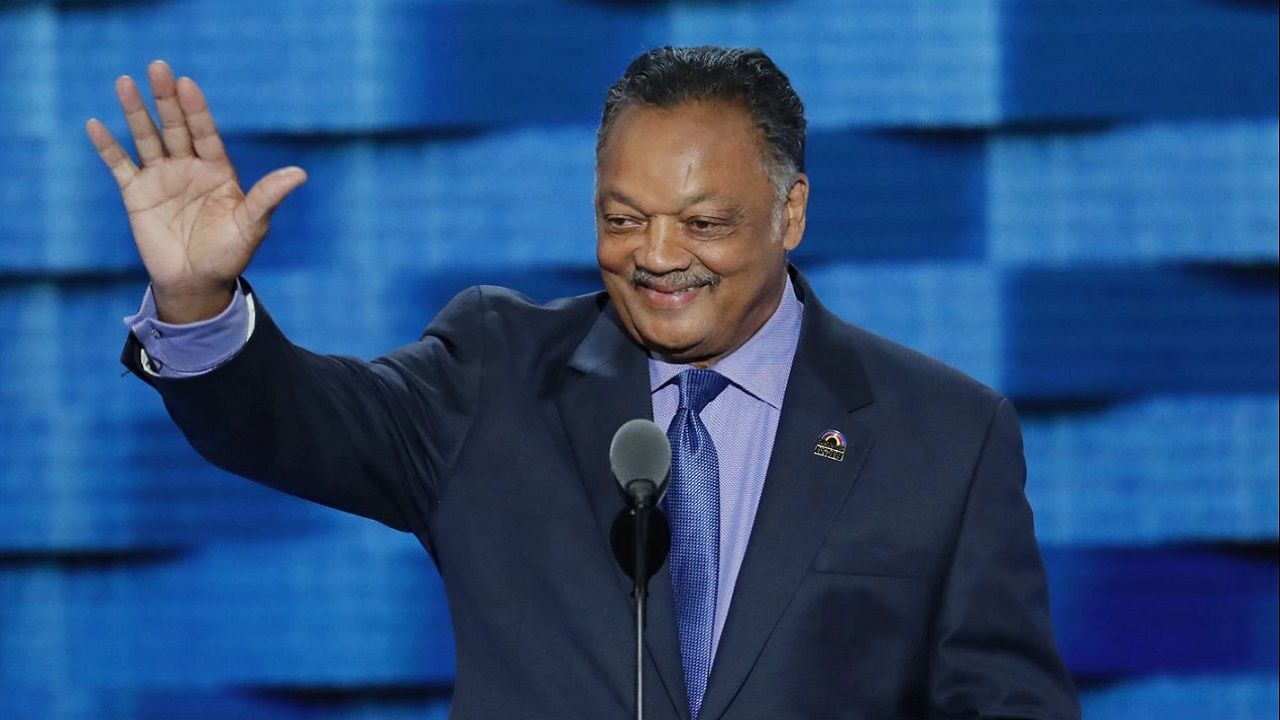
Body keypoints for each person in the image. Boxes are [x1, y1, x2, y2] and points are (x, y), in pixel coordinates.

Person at [88, 47, 1080, 719]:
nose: (655, 256)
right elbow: (286, 422)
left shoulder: (942, 433)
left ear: (789, 214)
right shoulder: (496, 374)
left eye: (701, 222)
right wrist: (198, 300)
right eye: (620, 216)